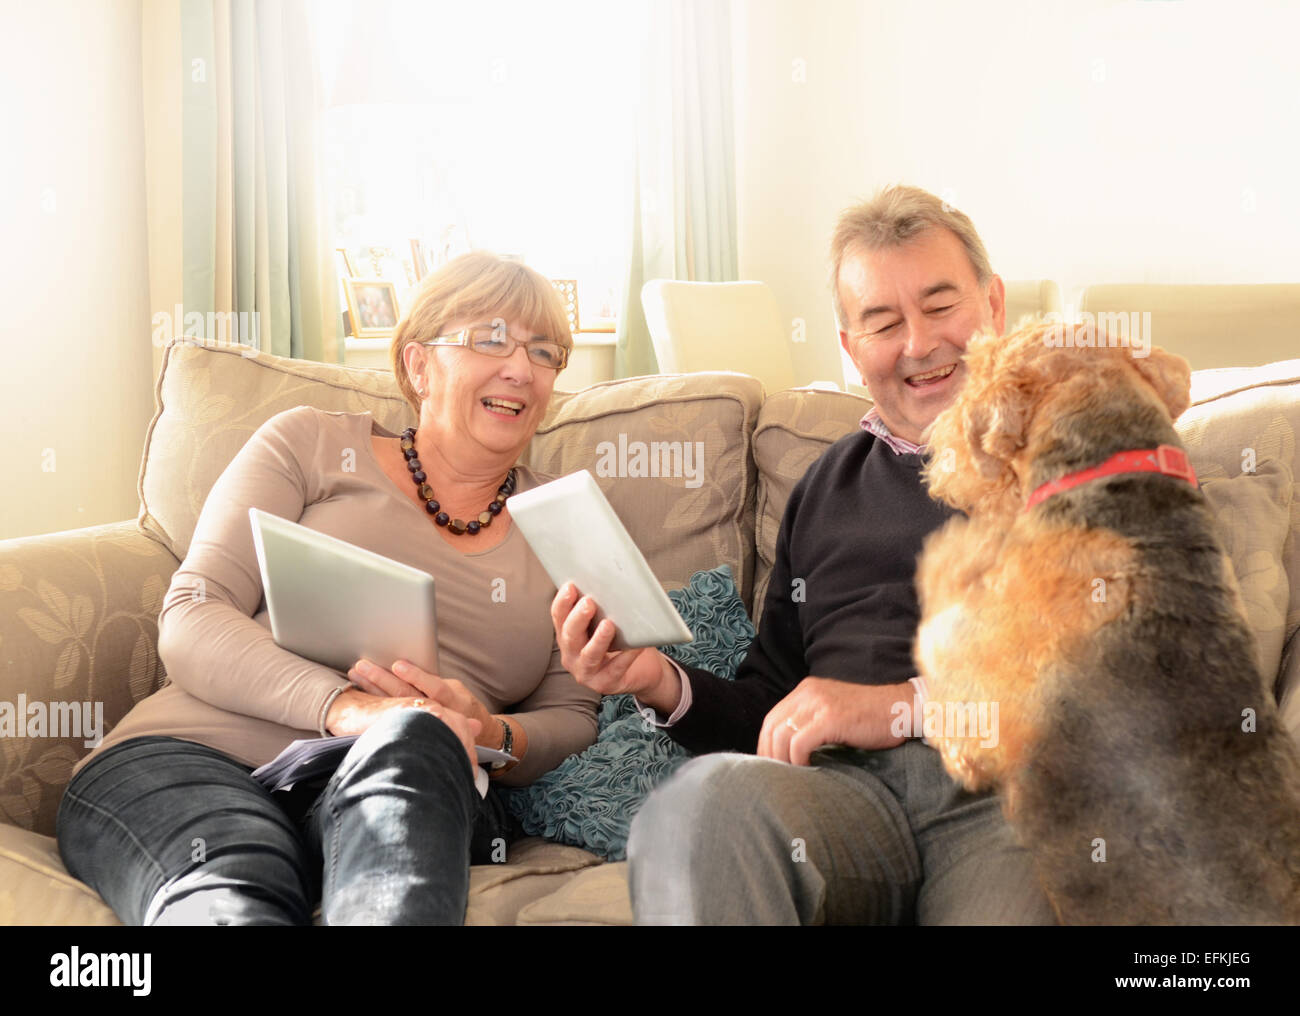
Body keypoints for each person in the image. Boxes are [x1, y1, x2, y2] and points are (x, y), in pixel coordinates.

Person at [551, 184, 1057, 924]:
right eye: (882, 323)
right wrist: (655, 678)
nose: (918, 343)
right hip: (840, 800)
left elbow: (1114, 676)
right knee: (696, 807)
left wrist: (894, 708)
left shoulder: (1077, 445)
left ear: (994, 306)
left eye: (941, 306)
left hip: (1002, 795)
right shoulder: (825, 484)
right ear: (851, 351)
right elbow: (773, 705)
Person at [57, 252, 599, 925]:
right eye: (489, 339)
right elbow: (194, 613)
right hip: (196, 757)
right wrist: (349, 708)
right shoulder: (308, 444)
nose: (521, 368)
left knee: (415, 751)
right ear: (418, 365)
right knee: (230, 895)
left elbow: (575, 713)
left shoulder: (569, 523)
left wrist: (491, 730)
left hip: (410, 775)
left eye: (545, 351)